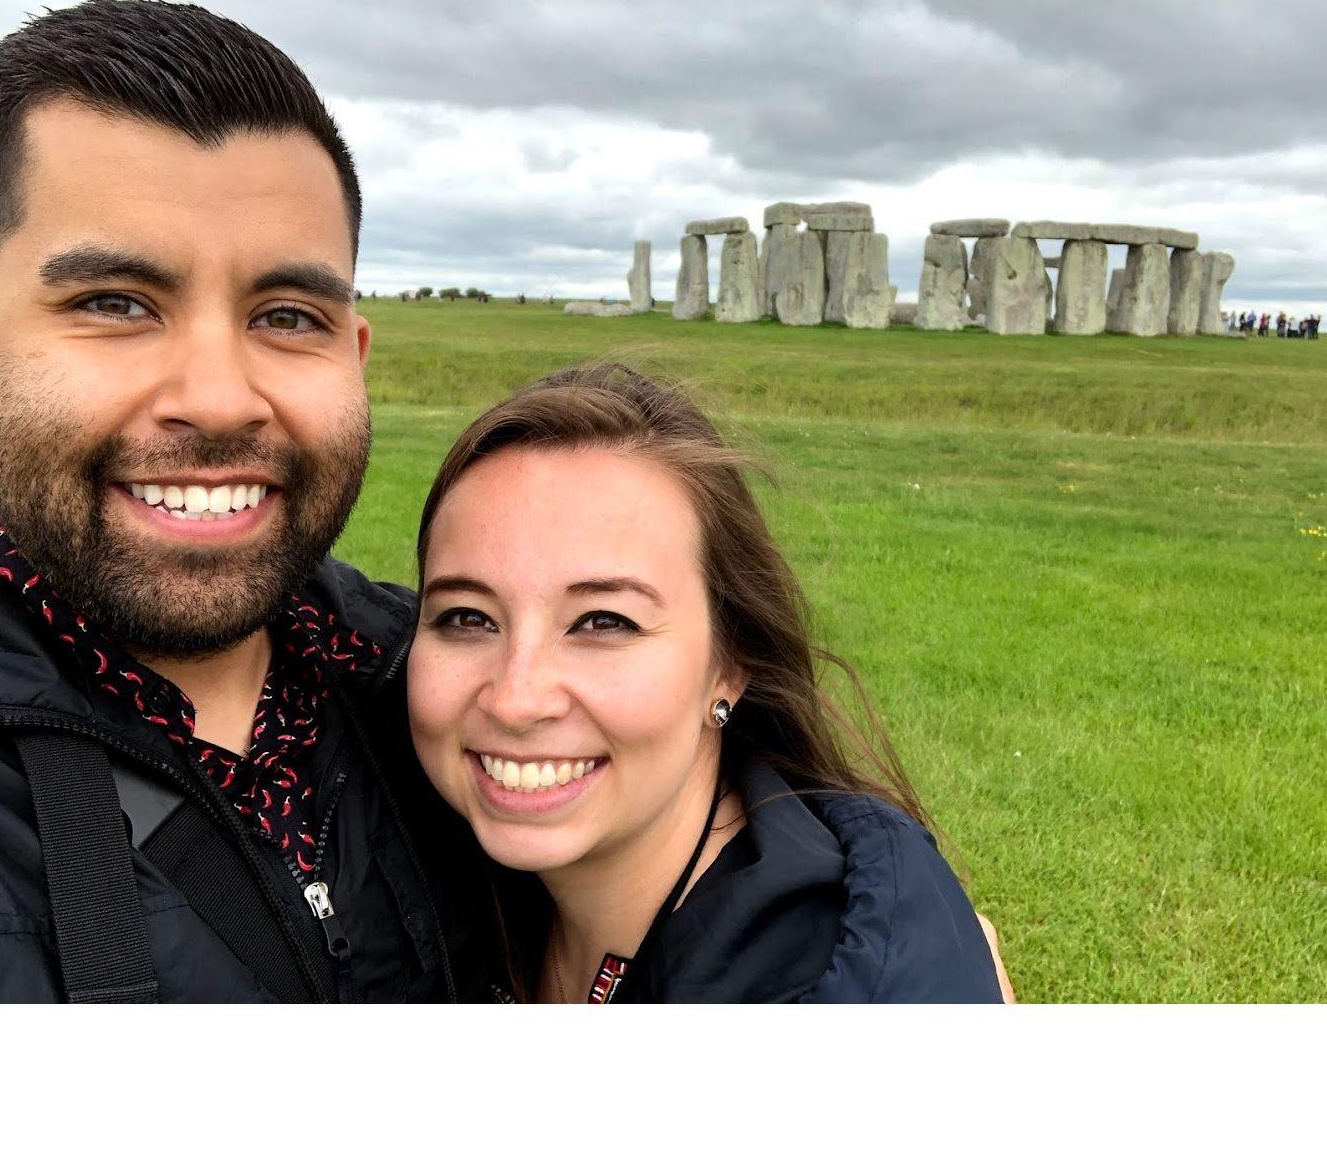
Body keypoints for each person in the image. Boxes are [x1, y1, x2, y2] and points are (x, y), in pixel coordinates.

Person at [0, 0, 488, 1002]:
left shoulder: (449, 682)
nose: (220, 398)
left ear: (352, 357)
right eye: (115, 304)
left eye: (287, 316)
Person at [407, 363, 1007, 1003]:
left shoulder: (817, 990)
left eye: (604, 622)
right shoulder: (447, 872)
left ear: (730, 663)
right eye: (467, 618)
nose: (515, 698)